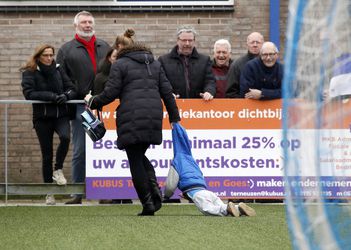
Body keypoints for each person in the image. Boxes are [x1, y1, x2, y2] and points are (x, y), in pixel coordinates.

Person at [84, 41, 181, 216]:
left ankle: (148, 202)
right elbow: (167, 92)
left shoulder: (120, 64)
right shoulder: (155, 64)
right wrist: (174, 118)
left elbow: (111, 92)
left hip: (131, 115)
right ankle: (154, 193)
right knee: (139, 155)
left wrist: (92, 100)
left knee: (135, 159)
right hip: (153, 115)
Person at [56, 11, 110, 204]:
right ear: (76, 26)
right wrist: (77, 91)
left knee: (105, 147)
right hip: (81, 106)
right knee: (80, 149)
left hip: (104, 105)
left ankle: (105, 193)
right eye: (83, 22)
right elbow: (62, 77)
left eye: (90, 22)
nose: (87, 25)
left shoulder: (105, 46)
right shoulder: (66, 49)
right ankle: (77, 192)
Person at [21, 44, 77, 205]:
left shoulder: (59, 70)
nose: (49, 58)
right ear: (38, 56)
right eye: (45, 55)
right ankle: (49, 192)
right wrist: (51, 96)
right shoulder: (30, 72)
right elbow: (29, 93)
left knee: (66, 138)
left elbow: (72, 88)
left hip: (61, 115)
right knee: (47, 155)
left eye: (51, 55)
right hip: (42, 118)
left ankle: (58, 169)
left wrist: (66, 96)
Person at [164, 123, 256, 217]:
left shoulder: (177, 161)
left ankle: (228, 208)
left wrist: (166, 196)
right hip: (206, 191)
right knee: (220, 205)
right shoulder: (191, 160)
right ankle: (238, 208)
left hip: (196, 193)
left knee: (208, 210)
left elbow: (170, 186)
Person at [93, 29, 135, 205]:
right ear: (110, 56)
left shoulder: (132, 73)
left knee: (129, 156)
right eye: (114, 56)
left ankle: (127, 193)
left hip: (127, 117)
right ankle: (109, 194)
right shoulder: (101, 77)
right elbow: (100, 99)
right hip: (109, 122)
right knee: (111, 157)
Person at [158, 25, 216, 100]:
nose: (187, 43)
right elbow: (160, 82)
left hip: (199, 107)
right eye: (184, 40)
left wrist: (209, 91)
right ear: (178, 40)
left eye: (190, 40)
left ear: (194, 41)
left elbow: (210, 81)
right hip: (173, 105)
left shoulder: (205, 60)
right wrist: (168, 94)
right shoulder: (163, 60)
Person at [226, 32, 264, 98]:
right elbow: (231, 93)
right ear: (247, 44)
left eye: (258, 42)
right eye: (252, 42)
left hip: (267, 107)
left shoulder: (268, 63)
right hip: (244, 107)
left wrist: (263, 94)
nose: (255, 45)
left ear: (262, 44)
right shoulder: (237, 64)